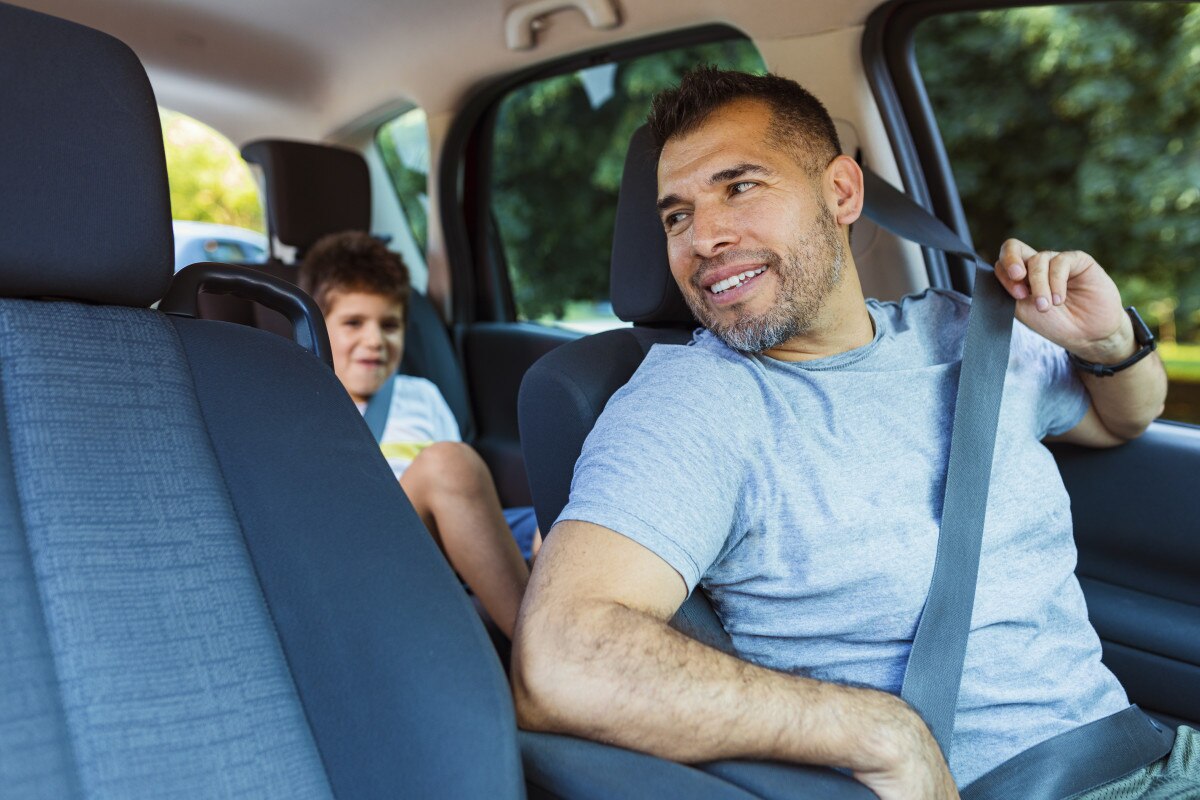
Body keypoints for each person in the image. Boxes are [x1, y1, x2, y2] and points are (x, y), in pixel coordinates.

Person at [511, 68, 1193, 800]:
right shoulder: (692, 404)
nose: (704, 238)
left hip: (1153, 753)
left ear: (841, 192)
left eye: (740, 187)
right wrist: (878, 731)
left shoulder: (965, 331)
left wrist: (1109, 340)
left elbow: (1124, 415)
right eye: (677, 217)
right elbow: (561, 658)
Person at [299, 231, 538, 638]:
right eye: (354, 323)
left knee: (560, 513)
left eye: (389, 325)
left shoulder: (421, 396)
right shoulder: (298, 404)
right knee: (449, 464)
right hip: (362, 549)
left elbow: (465, 498)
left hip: (438, 545)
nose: (375, 340)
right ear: (315, 328)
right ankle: (535, 645)